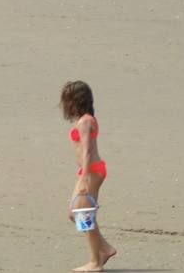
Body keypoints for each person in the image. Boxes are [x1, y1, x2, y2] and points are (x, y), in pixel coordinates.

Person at [60, 81, 116, 272]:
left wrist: (84, 177)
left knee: (83, 214)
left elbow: (87, 151)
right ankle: (105, 248)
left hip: (91, 170)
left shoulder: (85, 121)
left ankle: (95, 261)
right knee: (73, 213)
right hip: (88, 170)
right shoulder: (88, 119)